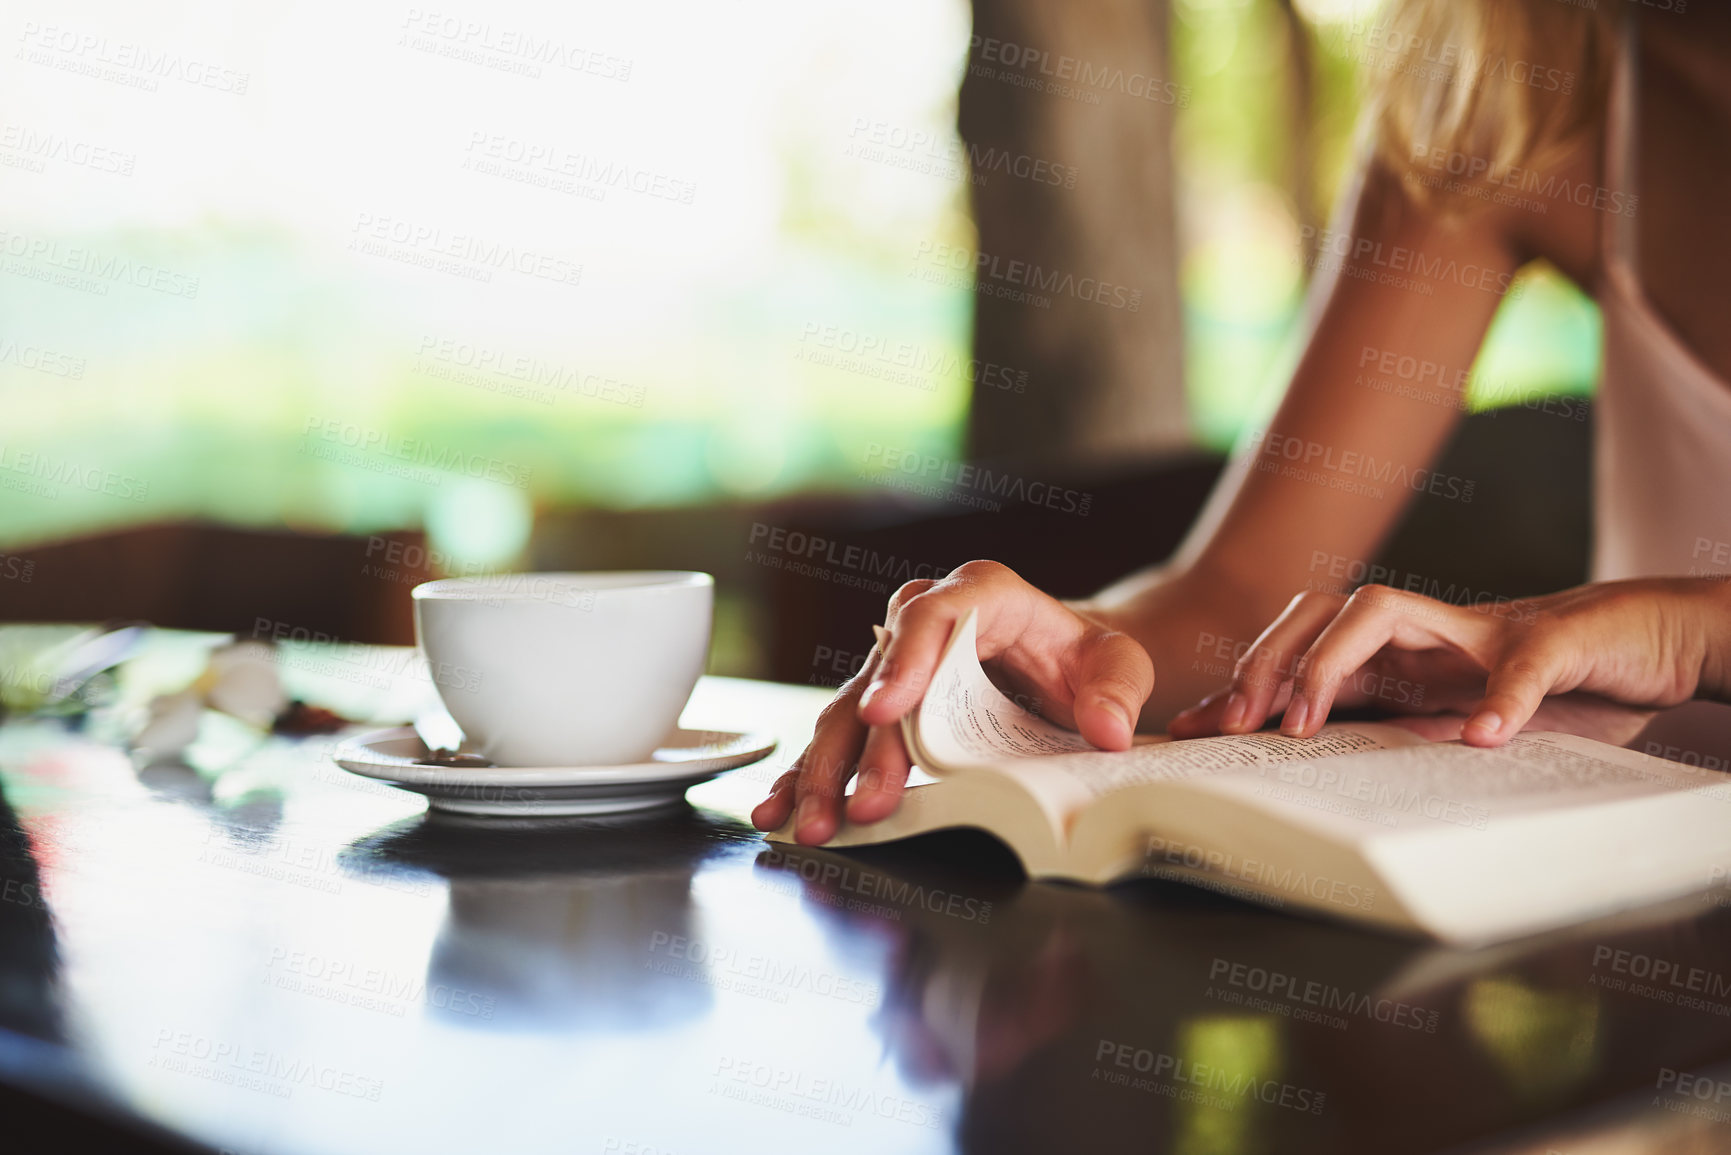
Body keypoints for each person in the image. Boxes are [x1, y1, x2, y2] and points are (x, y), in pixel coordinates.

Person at [754, 0, 1731, 845]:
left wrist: (1690, 633)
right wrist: (1049, 654)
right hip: (1650, 909)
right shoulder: (1506, 83)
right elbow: (1237, 600)